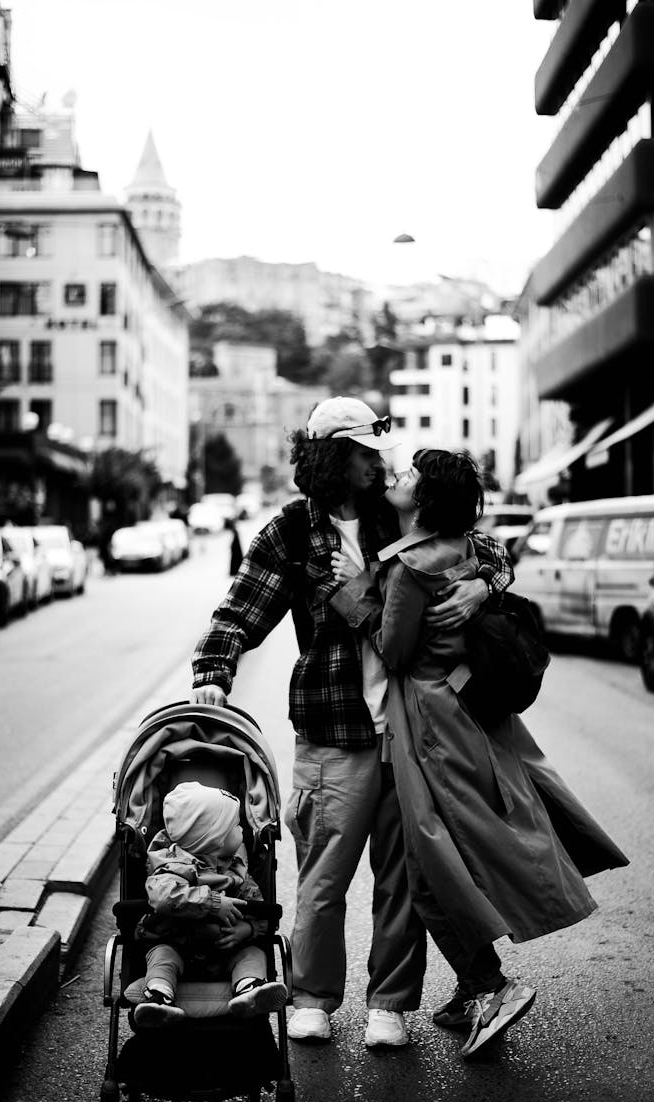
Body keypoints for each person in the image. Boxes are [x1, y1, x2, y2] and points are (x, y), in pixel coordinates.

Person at [190, 397, 514, 1049]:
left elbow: (484, 547)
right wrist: (212, 671)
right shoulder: (289, 531)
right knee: (324, 872)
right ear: (334, 456)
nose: (379, 462)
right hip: (331, 729)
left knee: (399, 875)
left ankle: (389, 1004)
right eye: (366, 452)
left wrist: (488, 582)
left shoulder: (392, 515)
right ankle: (312, 995)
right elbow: (238, 611)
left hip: (405, 727)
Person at [331, 448, 629, 1058]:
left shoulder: (411, 567)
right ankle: (475, 986)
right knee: (447, 856)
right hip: (459, 716)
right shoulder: (462, 548)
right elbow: (491, 558)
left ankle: (488, 985)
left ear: (426, 500)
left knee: (431, 864)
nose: (400, 478)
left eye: (412, 476)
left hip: (430, 726)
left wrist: (352, 591)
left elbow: (393, 651)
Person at [134, 781, 288, 1028]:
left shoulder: (236, 868)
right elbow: (163, 897)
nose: (242, 830)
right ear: (214, 839)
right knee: (162, 957)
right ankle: (159, 999)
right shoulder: (172, 867)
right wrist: (213, 902)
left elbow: (257, 906)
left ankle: (249, 991)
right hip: (177, 944)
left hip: (225, 951)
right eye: (236, 826)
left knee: (252, 953)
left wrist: (247, 929)